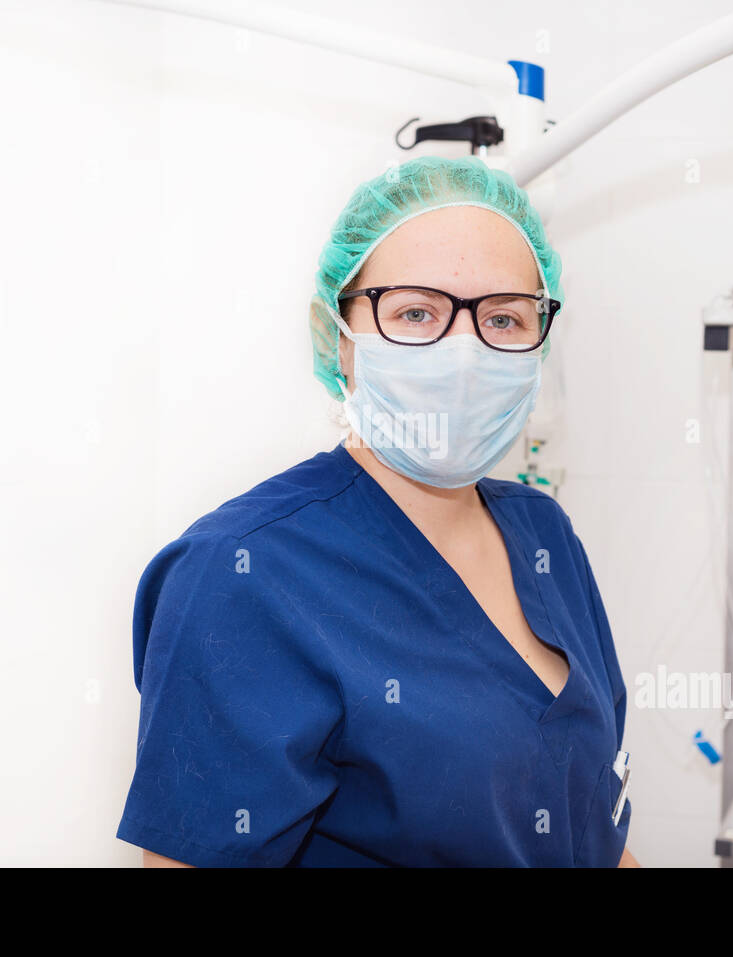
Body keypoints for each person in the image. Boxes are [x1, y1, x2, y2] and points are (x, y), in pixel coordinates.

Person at [116, 155, 638, 867]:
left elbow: (599, 841)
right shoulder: (243, 572)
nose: (464, 354)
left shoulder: (544, 533)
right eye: (416, 312)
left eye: (505, 317)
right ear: (340, 335)